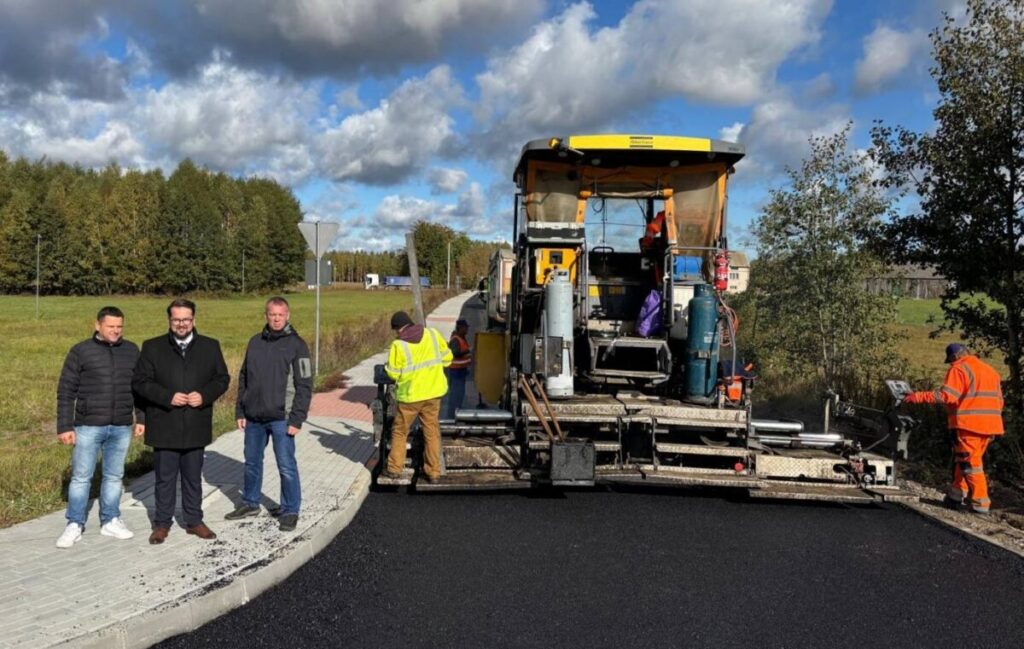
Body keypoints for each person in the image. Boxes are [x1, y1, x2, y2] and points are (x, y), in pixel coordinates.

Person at [133, 299, 230, 544]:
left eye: (186, 319)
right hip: (164, 424)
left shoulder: (210, 346)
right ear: (170, 321)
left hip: (196, 424)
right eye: (176, 319)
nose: (181, 324)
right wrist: (167, 397)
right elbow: (140, 383)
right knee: (164, 479)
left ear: (193, 320)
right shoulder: (152, 347)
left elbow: (222, 378)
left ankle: (194, 521)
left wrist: (205, 395)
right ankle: (162, 524)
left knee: (192, 477)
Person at [54, 306, 145, 549]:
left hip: (121, 426)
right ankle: (74, 523)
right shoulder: (81, 351)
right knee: (82, 477)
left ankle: (111, 519)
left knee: (115, 476)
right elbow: (65, 391)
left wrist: (141, 418)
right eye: (110, 326)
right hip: (88, 426)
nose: (115, 331)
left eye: (119, 326)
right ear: (98, 326)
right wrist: (64, 426)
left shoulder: (131, 351)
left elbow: (139, 389)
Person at [225, 297, 313, 532]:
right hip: (253, 417)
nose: (276, 318)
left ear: (288, 315)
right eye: (272, 314)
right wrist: (240, 409)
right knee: (252, 463)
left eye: (280, 314)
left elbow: (305, 384)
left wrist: (297, 418)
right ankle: (251, 503)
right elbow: (244, 377)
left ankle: (290, 509)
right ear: (266, 315)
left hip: (282, 419)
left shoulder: (297, 345)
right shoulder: (255, 342)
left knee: (286, 465)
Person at [902, 343, 1004, 514]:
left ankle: (981, 504)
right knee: (964, 462)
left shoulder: (959, 369)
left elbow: (947, 396)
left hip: (968, 426)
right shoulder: (990, 371)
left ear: (954, 357)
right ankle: (955, 496)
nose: (950, 364)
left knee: (971, 465)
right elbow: (1000, 401)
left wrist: (917, 396)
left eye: (950, 361)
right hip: (990, 426)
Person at [380, 311, 452, 483]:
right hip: (433, 394)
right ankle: (433, 472)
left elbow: (394, 373)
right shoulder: (433, 334)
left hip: (410, 398)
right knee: (431, 432)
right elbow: (447, 359)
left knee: (400, 431)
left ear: (398, 329)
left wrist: (387, 368)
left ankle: (394, 469)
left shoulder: (399, 345)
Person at [443, 318, 473, 419]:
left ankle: (457, 411)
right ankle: (452, 415)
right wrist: (468, 350)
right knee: (455, 394)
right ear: (460, 328)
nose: (467, 330)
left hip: (461, 370)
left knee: (459, 394)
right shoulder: (456, 339)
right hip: (456, 371)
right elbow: (454, 353)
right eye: (465, 328)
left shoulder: (461, 337)